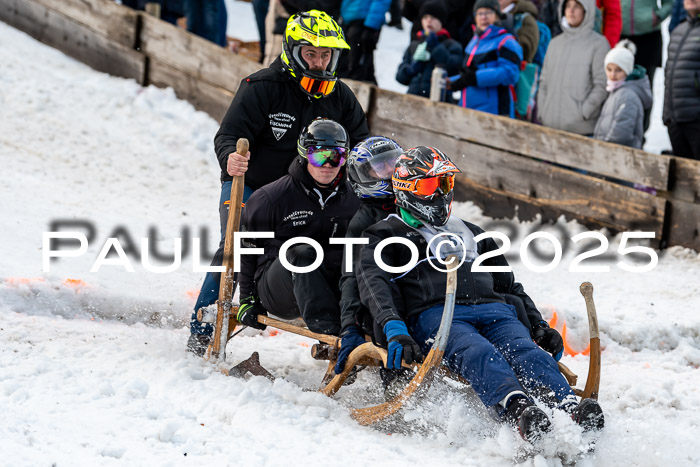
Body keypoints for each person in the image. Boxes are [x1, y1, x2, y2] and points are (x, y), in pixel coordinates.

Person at [357, 146, 605, 441]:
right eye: (430, 185)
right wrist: (394, 328)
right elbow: (374, 285)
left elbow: (508, 286)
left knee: (525, 350)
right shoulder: (384, 235)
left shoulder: (471, 231)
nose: (440, 193)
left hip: (495, 311)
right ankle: (517, 408)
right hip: (439, 315)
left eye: (445, 183)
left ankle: (568, 407)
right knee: (478, 352)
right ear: (407, 190)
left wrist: (538, 324)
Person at [187, 10, 369, 356]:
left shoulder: (341, 96)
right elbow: (228, 135)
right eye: (311, 54)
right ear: (292, 51)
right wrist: (230, 157)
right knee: (235, 245)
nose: (318, 62)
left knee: (346, 246)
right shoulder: (262, 87)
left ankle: (337, 330)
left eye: (326, 55)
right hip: (255, 187)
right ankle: (203, 325)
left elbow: (360, 144)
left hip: (315, 191)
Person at [235, 119, 361, 336]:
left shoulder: (354, 199)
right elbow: (248, 249)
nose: (328, 165)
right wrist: (247, 298)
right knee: (301, 250)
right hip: (280, 291)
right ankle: (329, 329)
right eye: (319, 156)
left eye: (337, 156)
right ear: (304, 154)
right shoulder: (271, 198)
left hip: (330, 288)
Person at [333, 136, 404, 376]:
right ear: (364, 175)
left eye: (393, 163)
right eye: (380, 166)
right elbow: (351, 277)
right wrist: (349, 328)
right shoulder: (360, 224)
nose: (390, 170)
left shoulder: (412, 205)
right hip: (379, 302)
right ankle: (393, 378)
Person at [537, 0, 609, 135]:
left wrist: (583, 112)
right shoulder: (555, 43)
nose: (571, 11)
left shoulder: (598, 44)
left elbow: (601, 85)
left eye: (576, 7)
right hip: (549, 126)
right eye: (568, 6)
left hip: (580, 130)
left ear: (586, 11)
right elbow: (544, 82)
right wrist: (543, 111)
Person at [447, 0, 523, 118]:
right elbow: (469, 75)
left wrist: (474, 78)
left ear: (497, 15)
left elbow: (510, 73)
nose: (483, 17)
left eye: (488, 12)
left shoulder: (506, 41)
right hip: (467, 109)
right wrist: (452, 82)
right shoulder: (473, 43)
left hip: (494, 112)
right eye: (479, 13)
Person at [395, 1, 464, 101]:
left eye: (433, 17)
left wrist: (436, 47)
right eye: (425, 17)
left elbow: (454, 69)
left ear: (441, 21)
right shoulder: (415, 44)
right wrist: (410, 69)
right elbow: (400, 77)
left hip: (440, 102)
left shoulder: (452, 45)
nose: (429, 21)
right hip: (412, 99)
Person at [593, 40, 652, 149]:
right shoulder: (615, 90)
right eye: (609, 69)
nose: (612, 74)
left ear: (627, 70)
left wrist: (604, 147)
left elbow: (621, 132)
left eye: (618, 70)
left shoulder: (628, 95)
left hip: (617, 154)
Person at [662, 0, 700, 160]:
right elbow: (668, 75)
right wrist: (667, 116)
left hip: (696, 120)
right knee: (684, 181)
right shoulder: (678, 30)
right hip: (675, 120)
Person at [338, 0, 393, 84]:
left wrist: (371, 25)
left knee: (357, 67)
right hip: (348, 20)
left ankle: (359, 92)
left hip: (364, 22)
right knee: (345, 64)